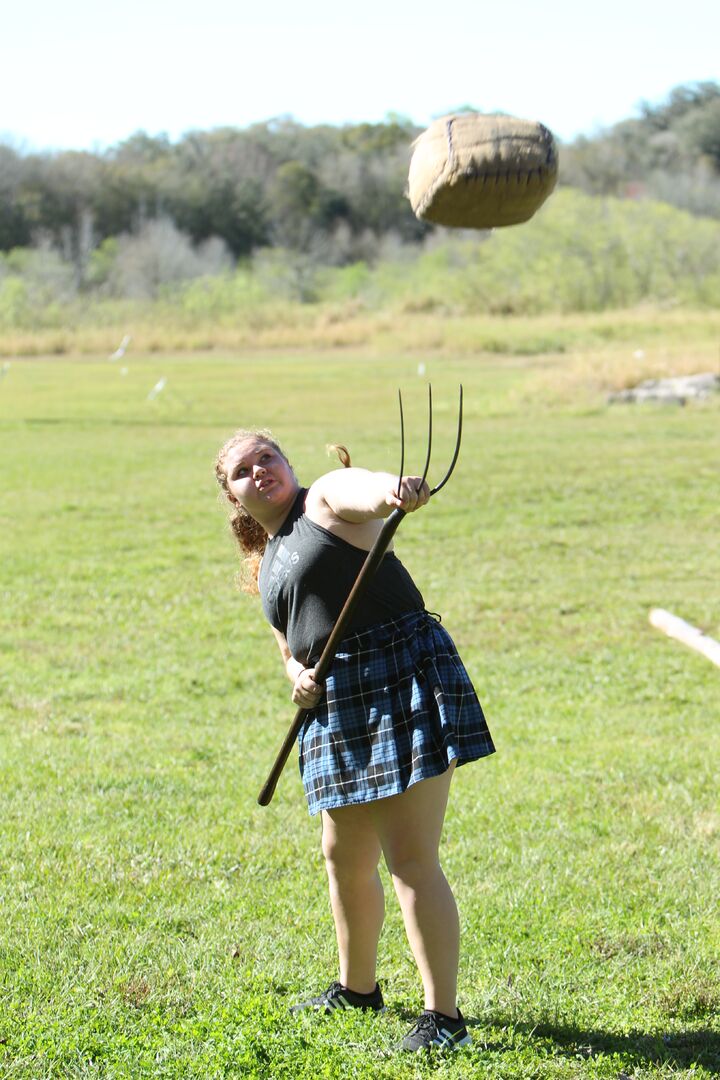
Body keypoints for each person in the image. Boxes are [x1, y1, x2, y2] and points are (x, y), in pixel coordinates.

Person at [215, 427, 495, 1053]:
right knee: (343, 856)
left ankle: (443, 1019)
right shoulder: (268, 558)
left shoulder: (322, 502)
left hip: (397, 673)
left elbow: (358, 490)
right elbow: (288, 642)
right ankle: (358, 988)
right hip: (339, 701)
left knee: (411, 857)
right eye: (243, 470)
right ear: (234, 498)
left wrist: (393, 490)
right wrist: (296, 676)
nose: (260, 470)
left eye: (268, 458)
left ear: (288, 465)